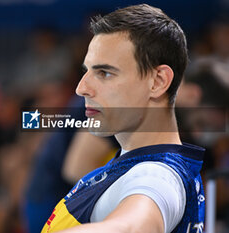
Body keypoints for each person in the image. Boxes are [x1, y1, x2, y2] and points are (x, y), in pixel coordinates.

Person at [41, 4, 205, 233]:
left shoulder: (157, 177)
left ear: (158, 81)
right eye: (86, 71)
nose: (81, 88)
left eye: (105, 73)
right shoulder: (135, 163)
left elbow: (131, 227)